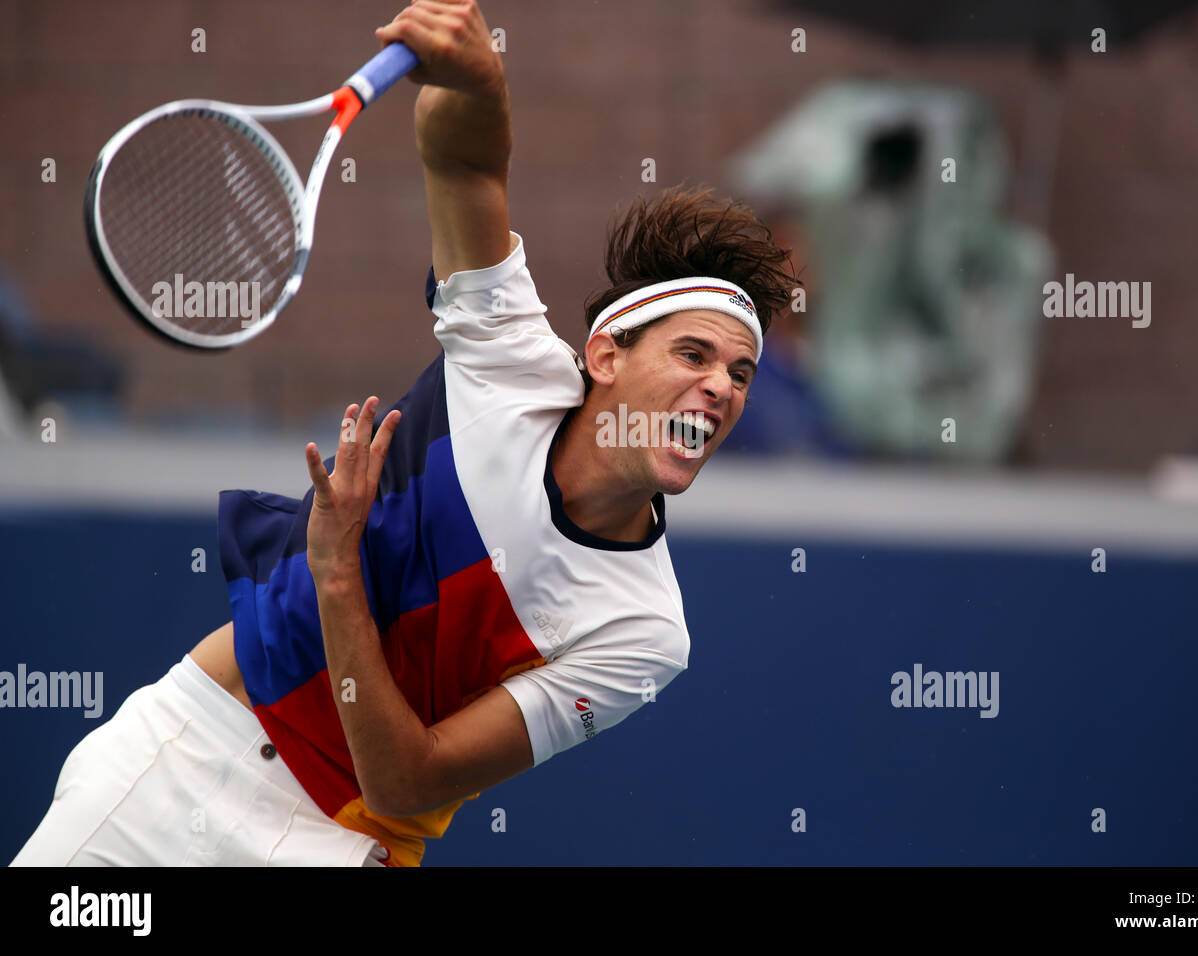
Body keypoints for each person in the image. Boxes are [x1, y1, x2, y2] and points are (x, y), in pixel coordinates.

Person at [10, 0, 797, 867]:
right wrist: (477, 75)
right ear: (605, 355)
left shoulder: (644, 631)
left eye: (740, 374)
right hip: (179, 759)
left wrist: (336, 567)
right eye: (694, 354)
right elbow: (466, 164)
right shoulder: (507, 357)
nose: (719, 387)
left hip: (338, 848)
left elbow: (404, 782)